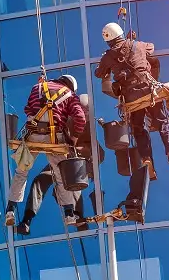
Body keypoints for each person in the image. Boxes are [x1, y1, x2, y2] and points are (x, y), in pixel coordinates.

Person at [94, 22, 169, 177]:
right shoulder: (138, 45)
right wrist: (133, 43)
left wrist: (106, 62)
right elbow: (151, 48)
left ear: (108, 40)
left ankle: (146, 160)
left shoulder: (107, 57)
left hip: (131, 99)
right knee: (163, 121)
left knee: (139, 129)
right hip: (149, 92)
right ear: (121, 34)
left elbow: (99, 73)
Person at [5, 75, 86, 229]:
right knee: (61, 175)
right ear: (70, 85)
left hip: (33, 135)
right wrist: (74, 138)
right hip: (54, 137)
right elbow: (80, 118)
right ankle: (69, 213)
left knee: (21, 172)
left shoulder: (37, 87)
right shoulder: (70, 95)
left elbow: (28, 109)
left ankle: (10, 209)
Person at [16, 94, 105, 235]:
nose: (85, 114)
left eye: (88, 111)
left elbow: (100, 153)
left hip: (74, 163)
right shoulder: (64, 120)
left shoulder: (88, 128)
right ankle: (27, 220)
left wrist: (81, 154)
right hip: (59, 162)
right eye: (84, 110)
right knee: (39, 180)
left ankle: (77, 216)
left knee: (73, 182)